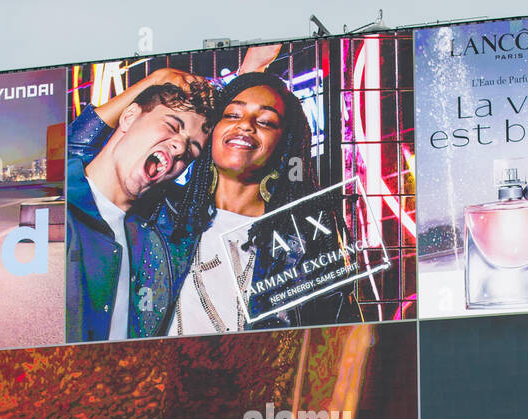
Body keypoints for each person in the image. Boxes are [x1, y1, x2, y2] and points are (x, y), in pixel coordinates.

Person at [70, 64, 359, 338]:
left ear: (285, 143)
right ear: (210, 135)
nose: (246, 126)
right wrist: (153, 82)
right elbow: (78, 159)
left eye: (266, 121)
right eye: (232, 115)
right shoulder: (166, 211)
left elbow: (339, 329)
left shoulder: (304, 232)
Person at [64, 79, 216, 342]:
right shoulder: (57, 209)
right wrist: (154, 79)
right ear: (129, 116)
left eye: (191, 150)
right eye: (171, 125)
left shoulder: (161, 237)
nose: (180, 148)